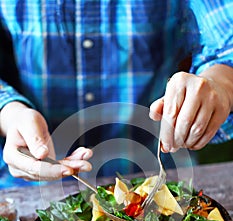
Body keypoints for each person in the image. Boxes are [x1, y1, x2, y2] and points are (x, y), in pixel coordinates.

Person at [0, 0, 233, 187]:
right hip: (25, 190)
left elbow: (227, 38)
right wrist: (9, 112)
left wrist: (221, 84)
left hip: (162, 180)